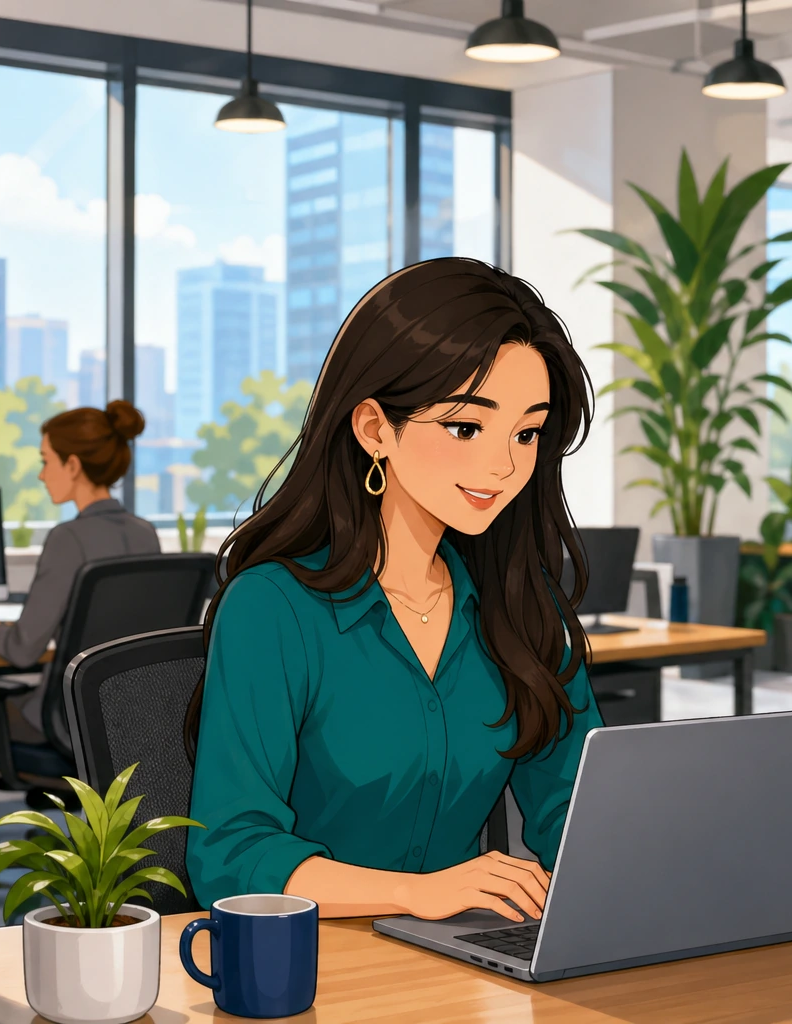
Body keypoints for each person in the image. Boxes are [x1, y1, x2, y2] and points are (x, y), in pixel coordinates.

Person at [185, 258, 602, 923]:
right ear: (375, 428)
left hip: (465, 966)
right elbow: (231, 854)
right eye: (466, 427)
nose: (503, 464)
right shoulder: (274, 610)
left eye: (525, 433)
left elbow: (581, 817)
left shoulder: (524, 609)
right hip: (314, 965)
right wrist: (417, 893)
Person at [0, 400, 157, 875]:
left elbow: (24, 645)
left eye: (46, 461)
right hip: (121, 724)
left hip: (61, 724)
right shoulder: (145, 533)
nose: (42, 475)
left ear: (72, 464)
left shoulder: (69, 538)